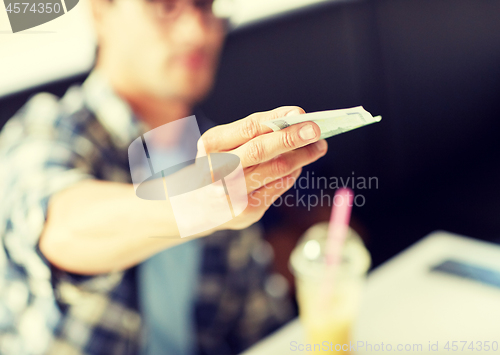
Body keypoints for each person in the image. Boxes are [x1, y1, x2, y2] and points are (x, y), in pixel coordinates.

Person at [0, 0, 328, 354]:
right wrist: (196, 201)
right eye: (165, 5)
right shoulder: (49, 129)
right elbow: (60, 226)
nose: (198, 30)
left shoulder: (218, 152)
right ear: (99, 12)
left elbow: (258, 323)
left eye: (204, 5)